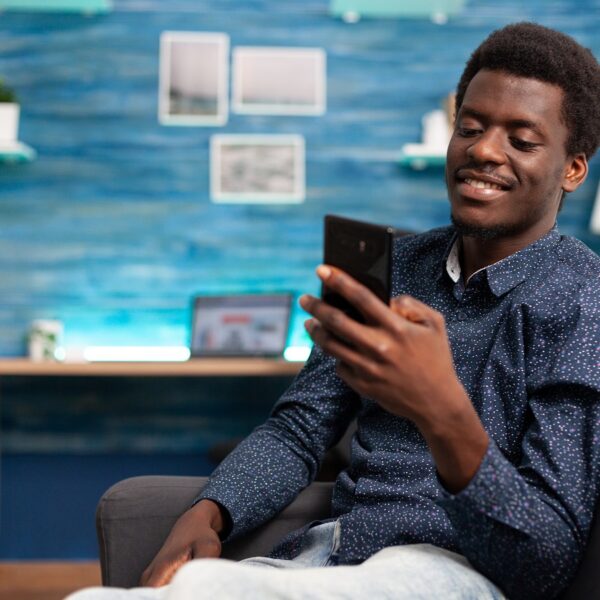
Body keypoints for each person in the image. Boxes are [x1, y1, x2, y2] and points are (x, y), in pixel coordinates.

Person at [68, 22, 600, 600]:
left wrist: (442, 411)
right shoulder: (398, 267)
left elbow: (547, 556)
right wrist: (209, 513)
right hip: (334, 557)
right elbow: (300, 428)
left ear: (573, 168)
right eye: (469, 128)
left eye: (521, 141)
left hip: (455, 570)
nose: (484, 150)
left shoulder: (582, 299)